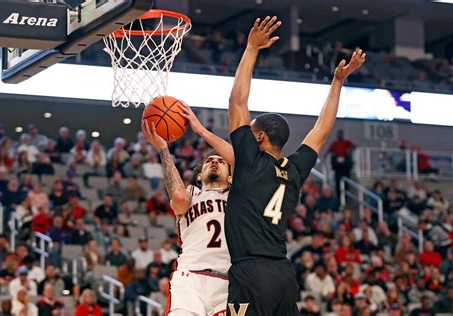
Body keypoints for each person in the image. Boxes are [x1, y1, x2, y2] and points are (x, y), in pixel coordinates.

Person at [225, 16, 365, 315]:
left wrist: (251, 49)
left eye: (250, 130)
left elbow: (238, 101)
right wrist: (338, 82)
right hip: (283, 275)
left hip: (251, 272)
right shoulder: (295, 169)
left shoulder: (250, 161)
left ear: (259, 137)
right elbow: (321, 130)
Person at [141, 101, 234, 316]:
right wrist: (163, 149)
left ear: (230, 175)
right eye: (209, 160)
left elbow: (239, 160)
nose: (214, 162)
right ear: (199, 175)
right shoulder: (192, 193)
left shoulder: (238, 195)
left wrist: (200, 129)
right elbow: (178, 196)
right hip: (190, 277)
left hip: (228, 281)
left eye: (220, 161)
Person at [327, 130, 356, 195]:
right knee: (338, 182)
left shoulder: (346, 142)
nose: (340, 135)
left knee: (346, 182)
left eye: (341, 134)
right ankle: (339, 196)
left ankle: (345, 196)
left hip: (345, 166)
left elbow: (354, 146)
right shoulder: (334, 143)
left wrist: (349, 150)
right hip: (338, 167)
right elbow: (328, 151)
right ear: (337, 135)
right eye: (339, 134)